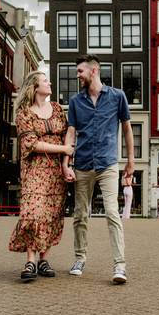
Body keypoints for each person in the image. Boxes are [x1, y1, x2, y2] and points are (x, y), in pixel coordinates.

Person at [62, 54, 135, 284]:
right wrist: (66, 163)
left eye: (80, 71)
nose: (77, 75)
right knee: (80, 215)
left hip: (108, 165)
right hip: (82, 164)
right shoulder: (75, 102)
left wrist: (130, 161)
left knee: (113, 213)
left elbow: (127, 129)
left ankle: (119, 266)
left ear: (94, 71)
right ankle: (80, 258)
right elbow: (71, 132)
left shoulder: (117, 97)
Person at [8, 71, 74, 282]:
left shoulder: (57, 109)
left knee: (52, 214)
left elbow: (68, 137)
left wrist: (65, 165)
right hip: (34, 170)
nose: (50, 81)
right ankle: (30, 260)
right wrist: (63, 149)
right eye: (46, 80)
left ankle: (44, 260)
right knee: (33, 212)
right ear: (35, 87)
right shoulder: (24, 114)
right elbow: (31, 144)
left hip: (56, 171)